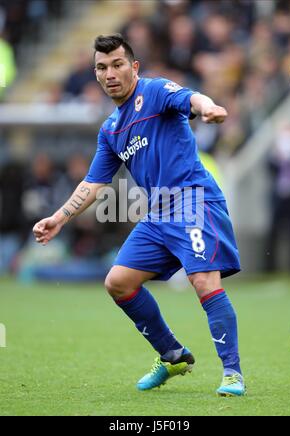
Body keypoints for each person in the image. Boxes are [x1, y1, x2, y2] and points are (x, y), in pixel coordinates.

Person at [33, 34, 245, 397]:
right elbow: (93, 183)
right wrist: (59, 217)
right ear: (95, 74)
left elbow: (190, 97)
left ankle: (232, 373)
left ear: (133, 67)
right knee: (118, 282)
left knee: (204, 283)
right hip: (157, 213)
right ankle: (172, 354)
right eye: (102, 67)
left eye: (117, 64)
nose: (109, 73)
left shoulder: (156, 91)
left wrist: (208, 107)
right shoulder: (111, 130)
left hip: (193, 200)